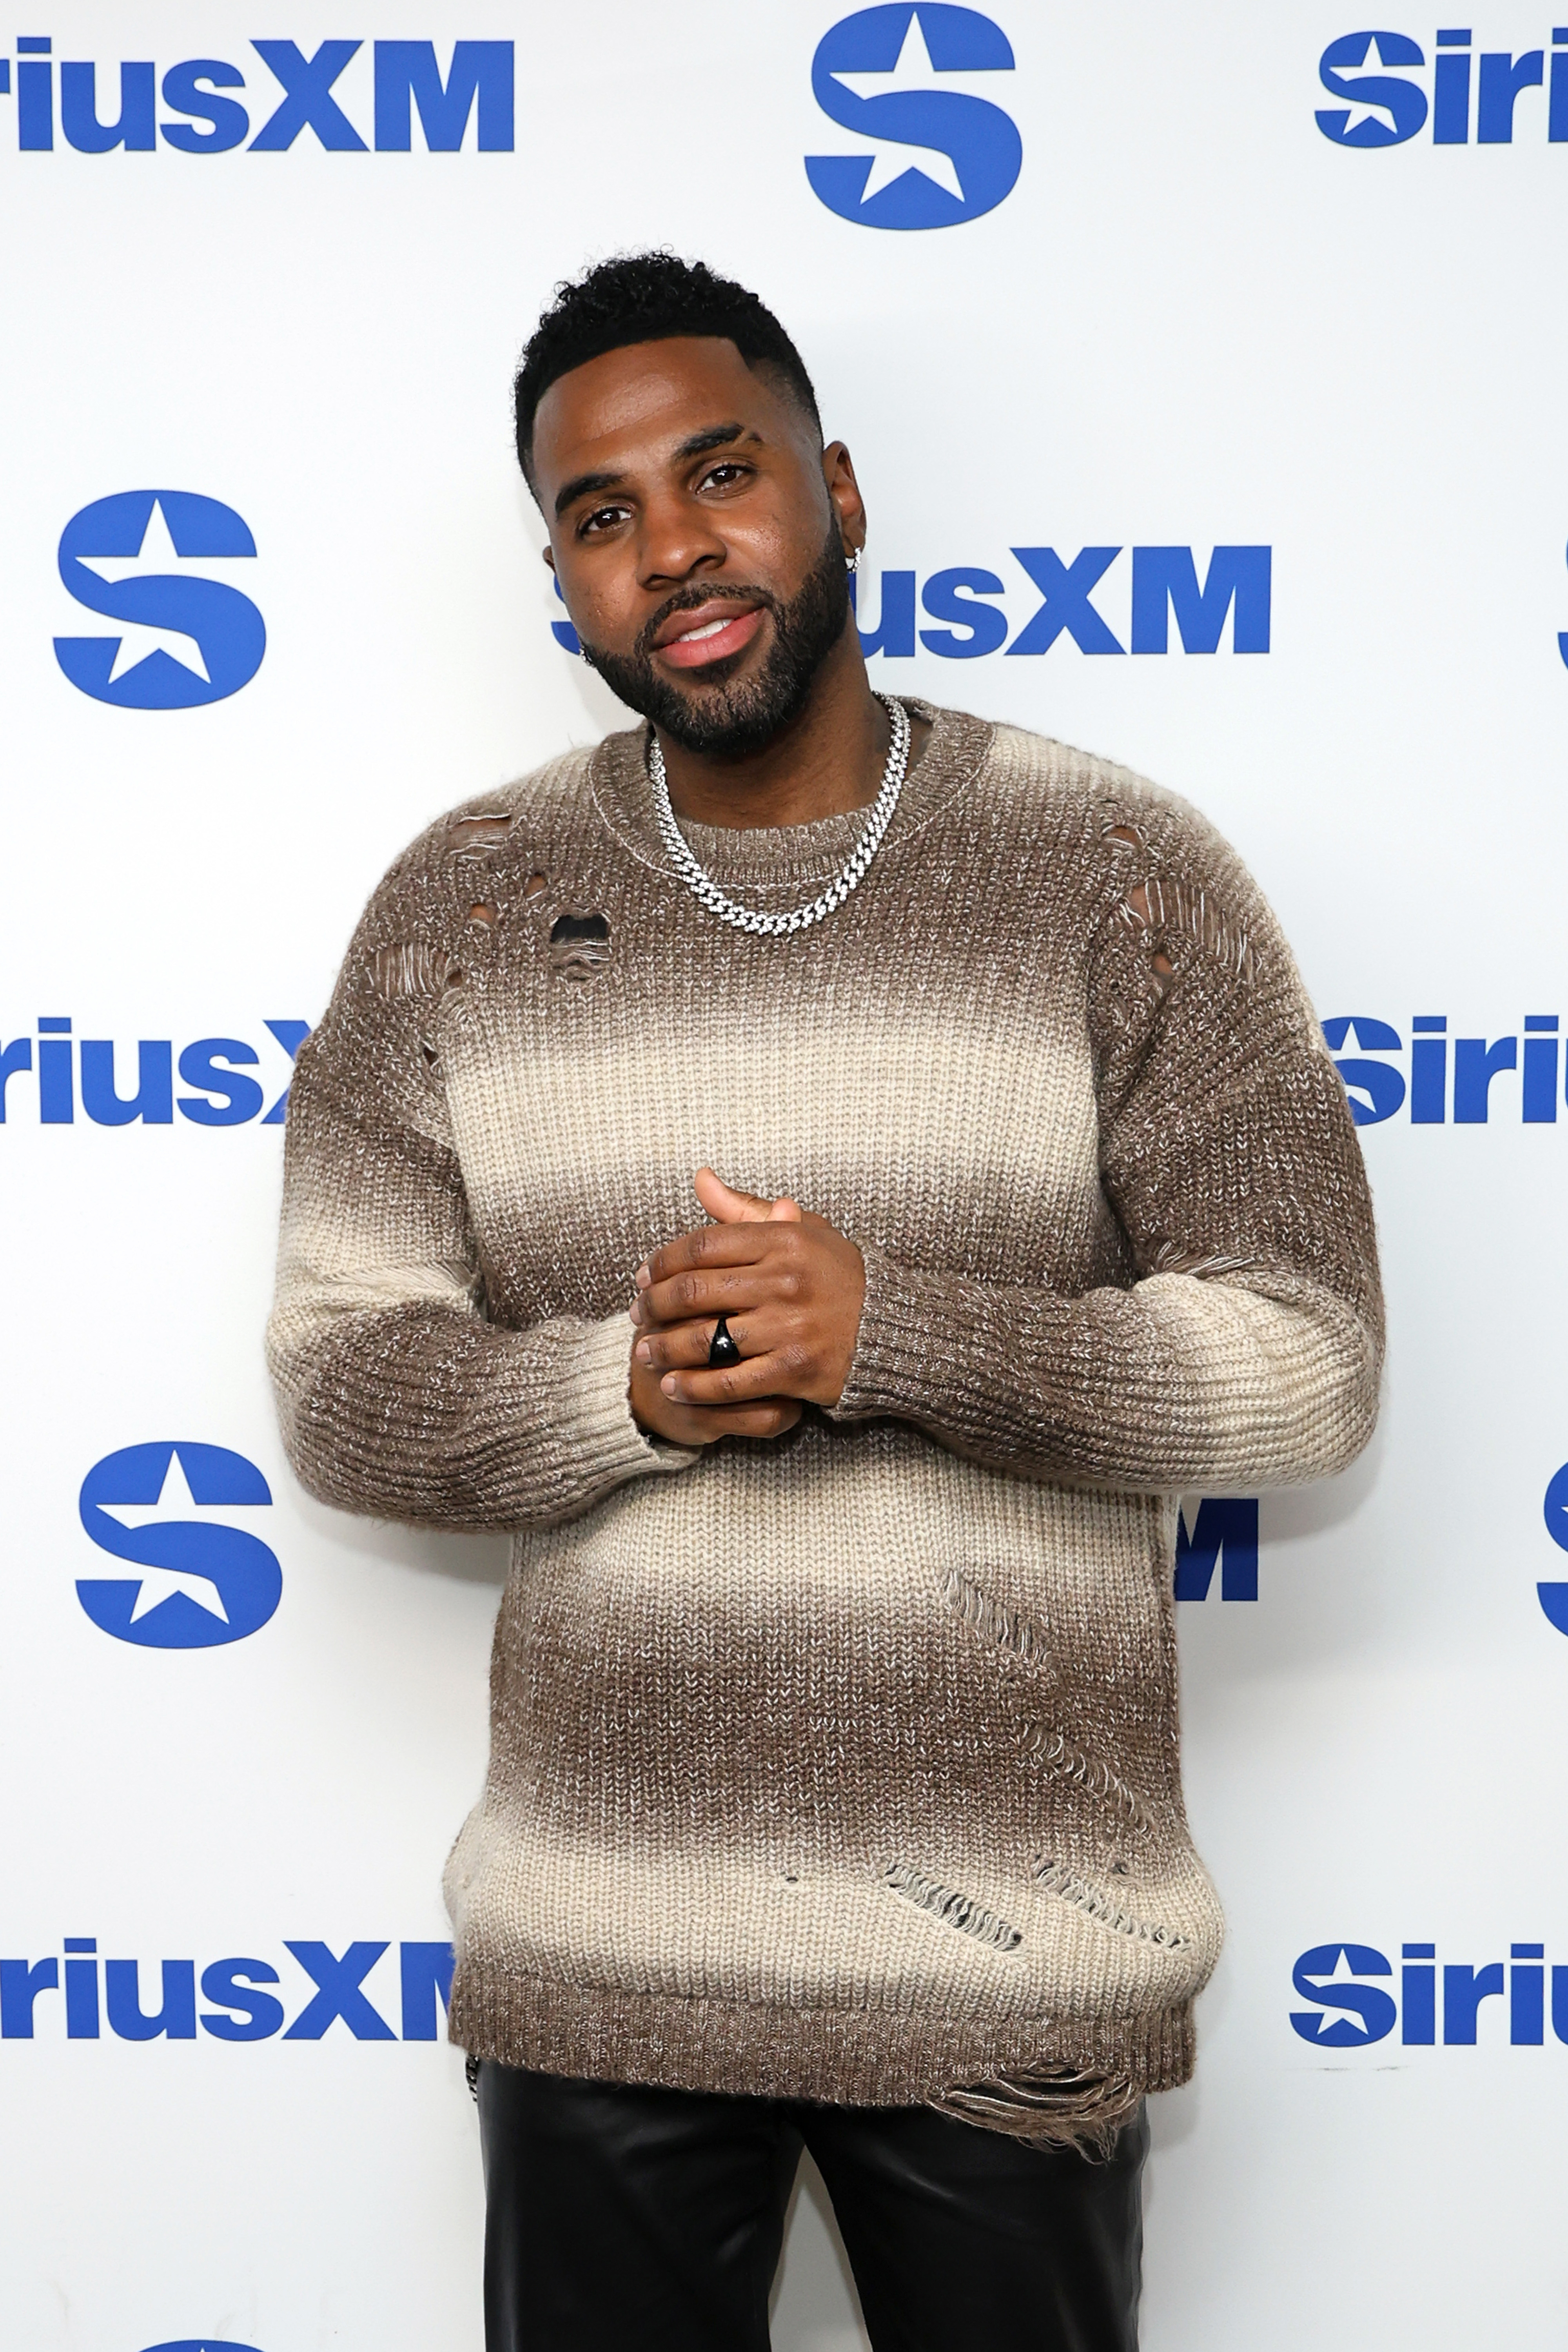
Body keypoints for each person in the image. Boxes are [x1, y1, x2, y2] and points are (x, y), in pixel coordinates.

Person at [267, 252, 1383, 2350]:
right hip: (606, 1967)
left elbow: (1311, 1363)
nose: (673, 549)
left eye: (720, 475)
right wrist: (631, 1390)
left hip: (1012, 1968)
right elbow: (347, 1384)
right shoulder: (463, 904)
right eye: (600, 518)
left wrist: (899, 1339)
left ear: (838, 491)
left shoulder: (1112, 871)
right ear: (561, 580)